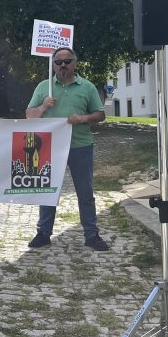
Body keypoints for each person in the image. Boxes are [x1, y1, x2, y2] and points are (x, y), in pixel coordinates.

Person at [25, 47, 109, 251]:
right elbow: (29, 115)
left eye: (67, 61)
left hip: (80, 145)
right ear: (53, 65)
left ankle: (91, 234)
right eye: (58, 62)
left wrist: (83, 118)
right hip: (48, 148)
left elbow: (100, 115)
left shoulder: (87, 87)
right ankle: (43, 233)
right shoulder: (44, 87)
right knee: (47, 191)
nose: (63, 65)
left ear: (75, 63)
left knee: (85, 192)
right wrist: (44, 106)